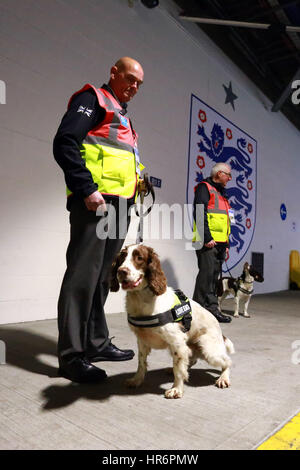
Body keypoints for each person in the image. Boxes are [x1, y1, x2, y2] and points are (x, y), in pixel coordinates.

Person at [53, 57, 144, 383]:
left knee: (104, 278)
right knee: (82, 276)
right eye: (129, 78)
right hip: (95, 204)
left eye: (138, 84)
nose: (133, 86)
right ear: (114, 73)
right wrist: (86, 189)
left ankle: (95, 342)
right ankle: (72, 356)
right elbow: (65, 142)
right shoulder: (92, 99)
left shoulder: (122, 115)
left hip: (119, 207)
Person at [192, 163, 233, 323]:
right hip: (206, 241)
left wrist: (227, 244)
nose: (229, 178)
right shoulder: (204, 187)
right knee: (206, 276)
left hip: (220, 243)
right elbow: (199, 212)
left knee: (213, 278)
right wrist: (206, 237)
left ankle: (212, 310)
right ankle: (196, 313)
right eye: (228, 175)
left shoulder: (222, 194)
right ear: (219, 173)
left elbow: (226, 221)